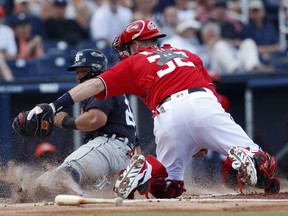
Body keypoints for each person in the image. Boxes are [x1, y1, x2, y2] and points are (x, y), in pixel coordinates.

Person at [27, 20, 280, 199]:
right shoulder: (189, 54)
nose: (124, 54)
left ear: (136, 45)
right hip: (203, 103)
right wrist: (204, 136)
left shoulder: (135, 60)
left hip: (167, 115)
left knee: (165, 188)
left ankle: (146, 169)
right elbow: (210, 96)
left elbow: (94, 84)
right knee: (263, 164)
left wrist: (55, 105)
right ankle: (247, 156)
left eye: (125, 48)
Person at [35, 49, 139, 195]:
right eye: (77, 72)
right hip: (122, 155)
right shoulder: (112, 88)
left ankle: (31, 190)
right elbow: (136, 141)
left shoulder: (102, 86)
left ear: (96, 71)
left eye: (83, 71)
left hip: (109, 147)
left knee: (64, 174)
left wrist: (65, 121)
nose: (78, 77)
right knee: (80, 190)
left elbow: (96, 119)